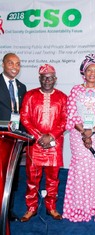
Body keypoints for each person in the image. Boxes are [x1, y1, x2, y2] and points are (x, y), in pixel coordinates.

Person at [62, 54, 95, 223]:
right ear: (83, 72)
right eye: (89, 70)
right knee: (81, 170)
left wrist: (93, 131)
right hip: (79, 136)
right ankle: (79, 208)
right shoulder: (76, 90)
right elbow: (71, 114)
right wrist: (84, 132)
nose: (92, 73)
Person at [20, 64, 67, 222]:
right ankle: (31, 207)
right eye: (44, 77)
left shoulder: (62, 97)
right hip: (35, 144)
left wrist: (51, 136)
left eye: (50, 77)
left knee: (53, 179)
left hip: (55, 145)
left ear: (55, 79)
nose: (47, 80)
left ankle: (51, 207)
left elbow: (65, 120)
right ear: (39, 78)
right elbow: (24, 117)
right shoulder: (30, 96)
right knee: (32, 178)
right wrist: (39, 137)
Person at [0, 53, 27, 221]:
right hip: (0, 137)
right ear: (3, 64)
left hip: (14, 139)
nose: (14, 67)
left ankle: (7, 211)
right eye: (11, 63)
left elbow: (20, 114)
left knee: (11, 177)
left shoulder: (22, 87)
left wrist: (23, 139)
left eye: (18, 64)